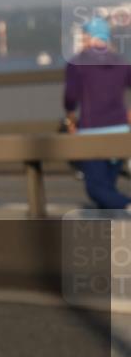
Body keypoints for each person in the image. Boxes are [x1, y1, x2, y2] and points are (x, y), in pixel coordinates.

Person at [63, 17, 131, 211]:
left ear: (88, 37)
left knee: (96, 188)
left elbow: (70, 97)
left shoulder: (77, 64)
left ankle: (126, 205)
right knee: (107, 187)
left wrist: (70, 115)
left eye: (83, 36)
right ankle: (117, 234)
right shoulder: (120, 61)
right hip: (120, 130)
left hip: (92, 132)